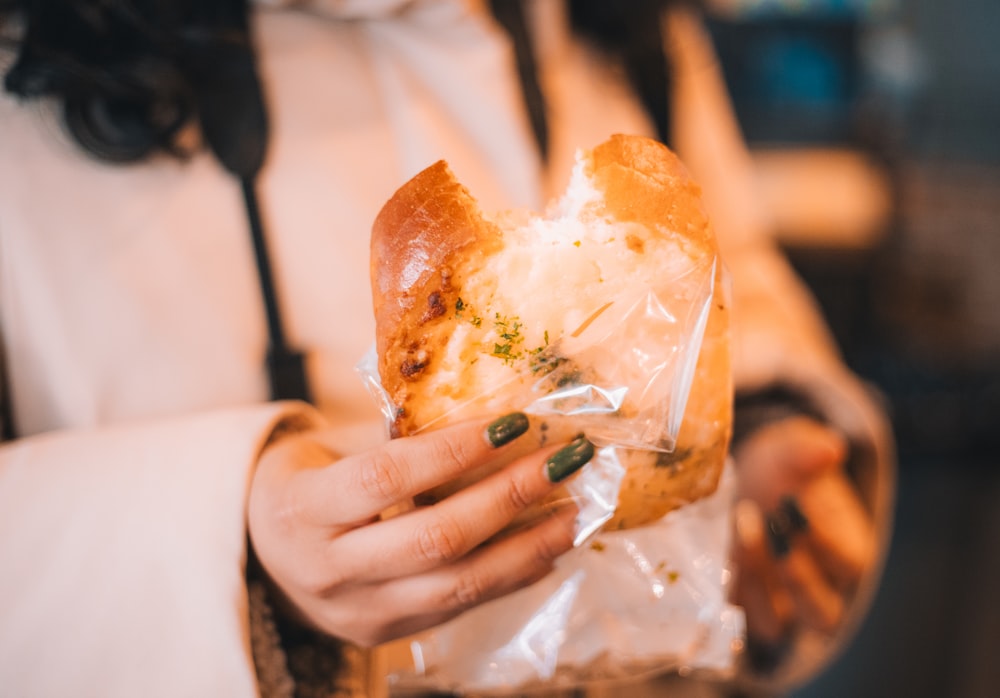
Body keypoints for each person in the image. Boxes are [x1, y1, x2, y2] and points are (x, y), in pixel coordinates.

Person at [0, 1, 893, 696]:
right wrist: (226, 541)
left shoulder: (623, 26)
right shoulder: (29, 69)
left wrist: (773, 433)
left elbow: (736, 285)